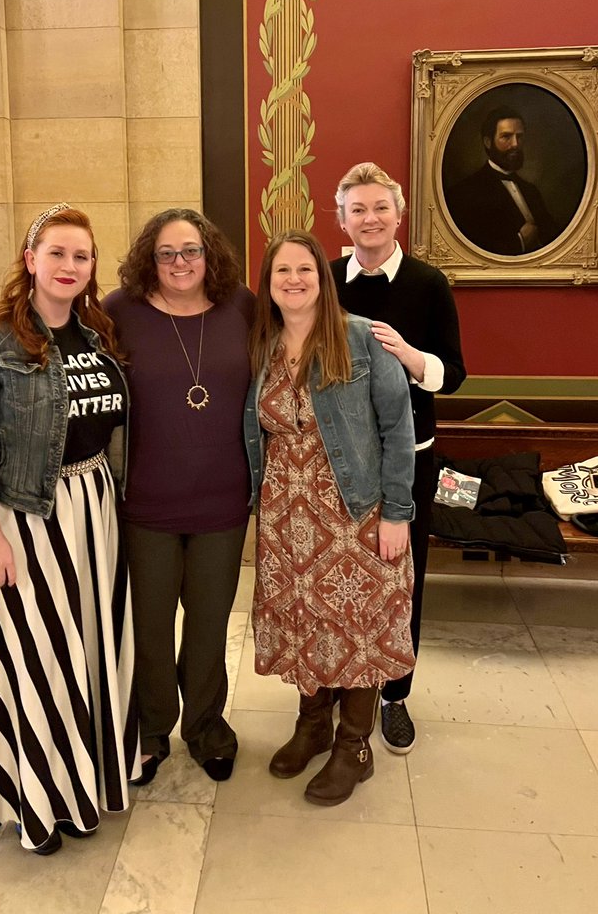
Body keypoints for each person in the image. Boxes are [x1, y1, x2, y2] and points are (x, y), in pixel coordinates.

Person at [0, 204, 139, 856]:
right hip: (21, 519)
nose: (70, 266)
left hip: (91, 514)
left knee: (81, 653)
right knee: (33, 662)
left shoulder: (96, 331)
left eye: (81, 256)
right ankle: (34, 800)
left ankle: (82, 783)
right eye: (57, 253)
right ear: (30, 259)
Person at [245, 229, 416, 807]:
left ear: (323, 278)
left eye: (305, 271)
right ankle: (313, 723)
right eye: (281, 272)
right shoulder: (262, 345)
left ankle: (353, 746)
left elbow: (398, 428)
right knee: (305, 622)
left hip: (356, 515)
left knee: (359, 629)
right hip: (287, 519)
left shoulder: (360, 339)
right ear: (267, 285)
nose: (293, 281)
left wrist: (397, 513)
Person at [104, 209, 254, 784]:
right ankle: (148, 728)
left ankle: (206, 726)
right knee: (149, 623)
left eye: (190, 250)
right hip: (146, 502)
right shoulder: (121, 311)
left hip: (222, 500)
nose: (180, 263)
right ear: (150, 258)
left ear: (209, 254)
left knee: (210, 622)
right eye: (167, 253)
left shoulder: (241, 305)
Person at [330, 163, 466, 756]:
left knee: (400, 579)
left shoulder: (428, 282)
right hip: (336, 458)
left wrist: (409, 354)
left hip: (409, 458)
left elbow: (453, 376)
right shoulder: (326, 278)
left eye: (380, 208)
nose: (370, 219)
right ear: (342, 219)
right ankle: (336, 684)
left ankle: (394, 695)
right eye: (357, 210)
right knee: (337, 575)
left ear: (398, 214)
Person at [445, 108, 559, 254]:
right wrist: (520, 242)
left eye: (519, 136)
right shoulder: (464, 192)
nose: (515, 144)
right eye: (506, 137)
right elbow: (470, 247)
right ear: (488, 142)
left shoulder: (531, 190)